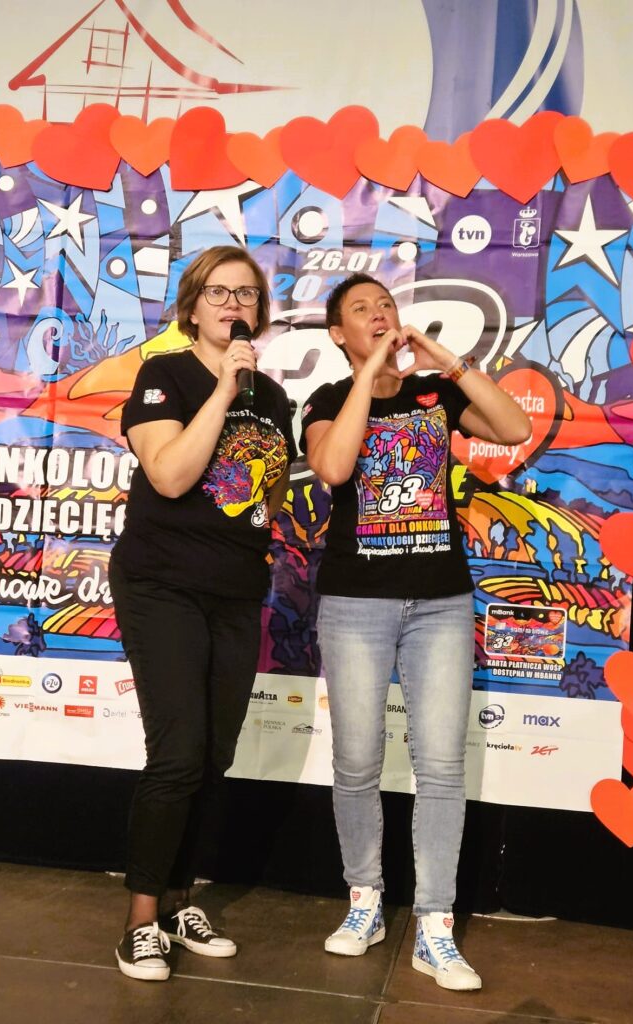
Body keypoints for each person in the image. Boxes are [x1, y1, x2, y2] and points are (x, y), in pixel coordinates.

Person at [302, 273, 531, 991]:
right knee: (356, 760)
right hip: (356, 604)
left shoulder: (437, 394)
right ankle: (364, 899)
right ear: (338, 333)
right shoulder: (328, 401)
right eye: (361, 310)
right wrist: (370, 372)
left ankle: (435, 923)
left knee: (440, 765)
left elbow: (514, 429)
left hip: (440, 604)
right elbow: (334, 465)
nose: (380, 315)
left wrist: (449, 362)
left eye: (386, 305)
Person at [108, 245, 296, 982]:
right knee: (179, 751)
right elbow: (170, 474)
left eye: (246, 294)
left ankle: (181, 901)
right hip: (162, 585)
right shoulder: (166, 376)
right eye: (218, 292)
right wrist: (223, 389)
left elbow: (269, 490)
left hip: (234, 590)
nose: (233, 305)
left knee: (215, 754)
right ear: (192, 306)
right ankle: (140, 921)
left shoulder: (272, 397)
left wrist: (258, 542)